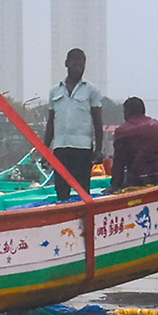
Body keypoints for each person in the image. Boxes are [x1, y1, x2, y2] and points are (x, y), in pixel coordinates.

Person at [44, 48, 103, 201]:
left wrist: (98, 150)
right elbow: (51, 123)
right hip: (61, 148)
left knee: (83, 189)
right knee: (61, 189)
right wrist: (45, 150)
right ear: (66, 64)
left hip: (82, 148)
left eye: (81, 65)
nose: (77, 68)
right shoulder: (55, 91)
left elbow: (97, 121)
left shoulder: (92, 90)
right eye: (74, 64)